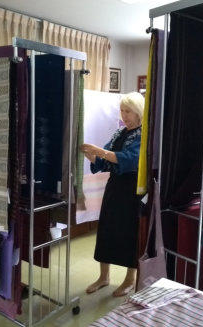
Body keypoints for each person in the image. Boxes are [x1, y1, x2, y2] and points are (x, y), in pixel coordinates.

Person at [80, 92, 144, 297]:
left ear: (138, 113)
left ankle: (129, 280)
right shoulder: (119, 133)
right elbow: (105, 160)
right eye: (123, 111)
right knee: (106, 229)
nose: (124, 115)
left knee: (129, 233)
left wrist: (101, 152)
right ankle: (104, 277)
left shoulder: (143, 135)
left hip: (132, 189)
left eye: (129, 111)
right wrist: (93, 156)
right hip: (115, 187)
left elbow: (131, 159)